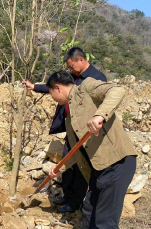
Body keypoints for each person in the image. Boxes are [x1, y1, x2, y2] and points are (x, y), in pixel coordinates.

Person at [46, 70, 137, 229]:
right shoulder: (70, 117)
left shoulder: (86, 88)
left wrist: (100, 115)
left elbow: (117, 90)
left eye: (51, 95)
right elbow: (76, 151)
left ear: (57, 88)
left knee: (105, 220)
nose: (53, 100)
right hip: (99, 169)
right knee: (90, 211)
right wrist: (58, 169)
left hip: (117, 162)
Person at [23, 47, 107, 213]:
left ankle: (75, 202)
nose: (70, 69)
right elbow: (55, 87)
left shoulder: (96, 79)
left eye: (71, 66)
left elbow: (104, 103)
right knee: (68, 164)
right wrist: (35, 87)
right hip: (71, 128)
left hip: (85, 132)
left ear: (81, 60)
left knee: (80, 169)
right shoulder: (73, 78)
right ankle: (67, 196)